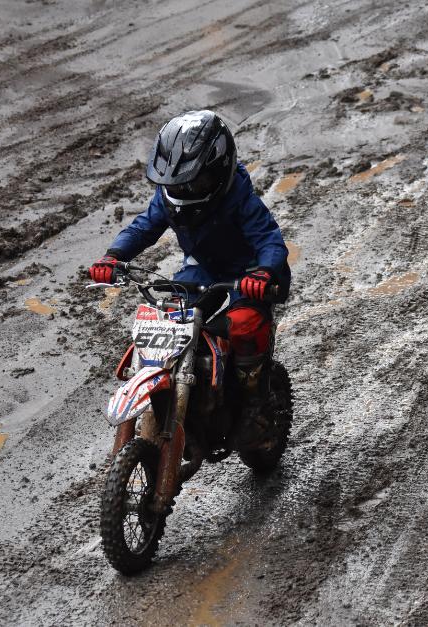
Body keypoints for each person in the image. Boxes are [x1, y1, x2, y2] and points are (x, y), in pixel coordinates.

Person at [89, 110, 291, 449]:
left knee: (243, 323)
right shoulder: (170, 198)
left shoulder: (238, 196)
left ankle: (254, 404)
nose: (183, 189)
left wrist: (264, 271)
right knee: (171, 318)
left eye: (192, 182)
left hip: (250, 272)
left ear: (217, 170)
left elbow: (270, 239)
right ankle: (185, 385)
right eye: (175, 183)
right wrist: (114, 256)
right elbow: (144, 227)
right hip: (202, 268)